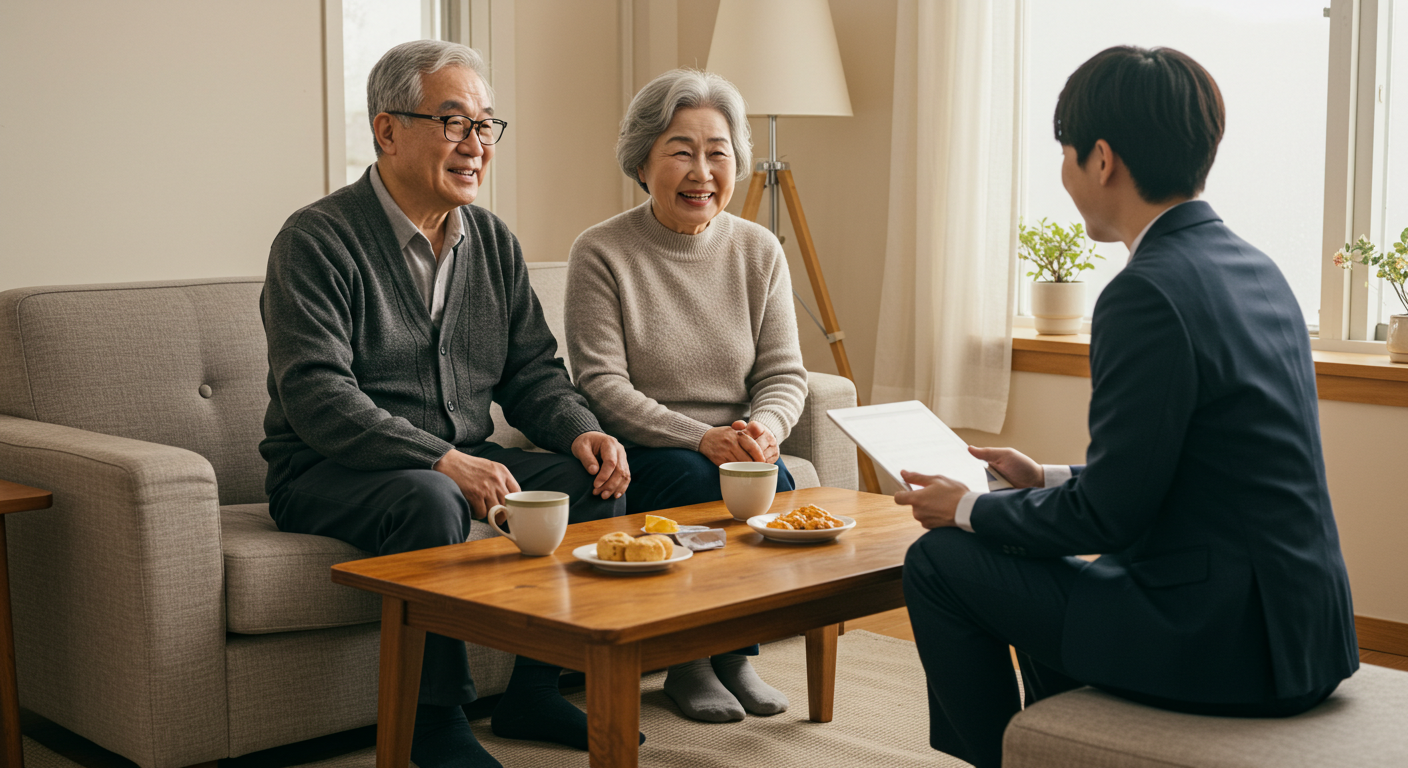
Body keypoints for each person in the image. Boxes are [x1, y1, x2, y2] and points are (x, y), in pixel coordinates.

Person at [896, 46, 1358, 768]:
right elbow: (1192, 468)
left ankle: (1000, 759)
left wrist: (964, 507)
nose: (1066, 174)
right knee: (1037, 564)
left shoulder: (1145, 291)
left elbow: (1109, 518)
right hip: (1306, 634)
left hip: (1221, 646)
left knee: (940, 560)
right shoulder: (1254, 268)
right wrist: (1043, 476)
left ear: (1102, 160)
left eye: (1066, 154)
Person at [260, 40, 634, 768]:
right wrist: (441, 457)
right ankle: (433, 725)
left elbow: (533, 372)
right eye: (455, 121)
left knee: (589, 483)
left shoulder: (492, 242)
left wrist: (583, 430)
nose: (477, 145)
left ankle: (536, 687)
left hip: (457, 458)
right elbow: (316, 395)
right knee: (433, 499)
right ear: (388, 129)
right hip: (328, 469)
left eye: (488, 125)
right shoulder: (317, 239)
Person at [564, 69, 808, 724]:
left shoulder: (759, 250)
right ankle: (689, 662)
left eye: (717, 152)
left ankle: (735, 656)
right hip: (650, 448)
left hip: (735, 441)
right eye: (681, 150)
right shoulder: (602, 251)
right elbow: (600, 384)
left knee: (773, 476)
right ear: (643, 160)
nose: (702, 171)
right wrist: (702, 436)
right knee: (690, 476)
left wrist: (764, 428)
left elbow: (786, 372)